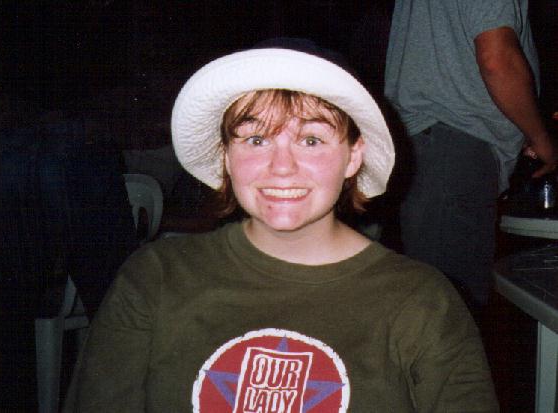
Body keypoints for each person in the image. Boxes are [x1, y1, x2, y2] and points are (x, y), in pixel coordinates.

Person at [64, 40, 498, 412]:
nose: (282, 166)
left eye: (311, 140)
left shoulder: (421, 299)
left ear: (353, 156)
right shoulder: (155, 277)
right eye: (256, 139)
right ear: (226, 156)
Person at [384, 0, 558, 312]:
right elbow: (497, 60)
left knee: (433, 309)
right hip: (454, 153)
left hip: (432, 148)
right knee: (449, 316)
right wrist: (540, 137)